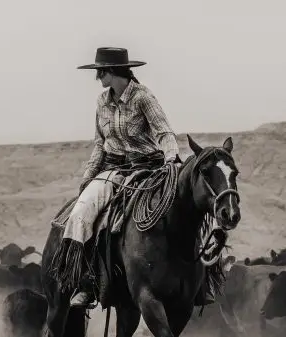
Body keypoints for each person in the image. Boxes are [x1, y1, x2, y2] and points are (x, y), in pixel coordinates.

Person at [50, 47, 214, 308]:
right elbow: (99, 144)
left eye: (100, 71)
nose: (98, 77)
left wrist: (172, 158)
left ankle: (201, 281)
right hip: (112, 171)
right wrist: (88, 177)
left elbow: (164, 132)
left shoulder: (143, 97)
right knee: (81, 212)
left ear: (113, 71)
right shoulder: (101, 102)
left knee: (187, 207)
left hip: (149, 168)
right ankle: (87, 283)